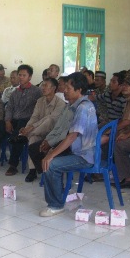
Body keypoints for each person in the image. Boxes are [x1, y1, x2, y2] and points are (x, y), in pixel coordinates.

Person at [39, 72, 97, 217]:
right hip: (77, 150)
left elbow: (72, 136)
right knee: (47, 156)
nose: (64, 90)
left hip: (83, 156)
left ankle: (55, 205)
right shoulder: (76, 105)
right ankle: (57, 195)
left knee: (51, 164)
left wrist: (51, 155)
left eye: (68, 88)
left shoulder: (83, 108)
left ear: (79, 90)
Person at [0, 64, 42, 175]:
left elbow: (39, 110)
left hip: (27, 121)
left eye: (24, 75)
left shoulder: (37, 91)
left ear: (30, 77)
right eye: (19, 75)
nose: (21, 77)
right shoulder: (15, 92)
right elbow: (9, 108)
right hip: (13, 119)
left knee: (17, 133)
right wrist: (7, 121)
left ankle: (13, 165)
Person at [20, 78, 66, 182]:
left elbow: (50, 118)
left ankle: (23, 136)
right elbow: (34, 117)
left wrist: (30, 128)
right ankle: (32, 170)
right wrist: (27, 127)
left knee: (49, 120)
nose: (43, 87)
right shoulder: (40, 101)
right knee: (33, 138)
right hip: (39, 131)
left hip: (53, 133)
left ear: (54, 88)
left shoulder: (60, 103)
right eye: (42, 85)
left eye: (46, 85)